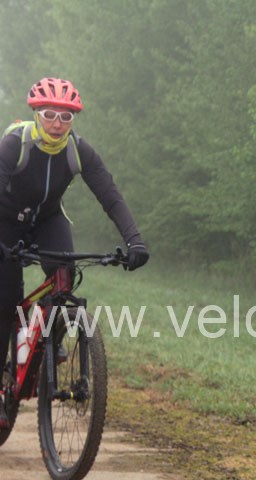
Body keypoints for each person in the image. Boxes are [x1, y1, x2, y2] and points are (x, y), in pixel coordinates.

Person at [0, 77, 149, 428]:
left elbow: (110, 196)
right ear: (36, 114)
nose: (57, 123)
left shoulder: (78, 150)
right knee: (5, 301)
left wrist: (135, 241)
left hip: (47, 220)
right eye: (50, 114)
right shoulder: (14, 144)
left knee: (63, 277)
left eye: (65, 117)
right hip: (4, 222)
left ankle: (50, 337)